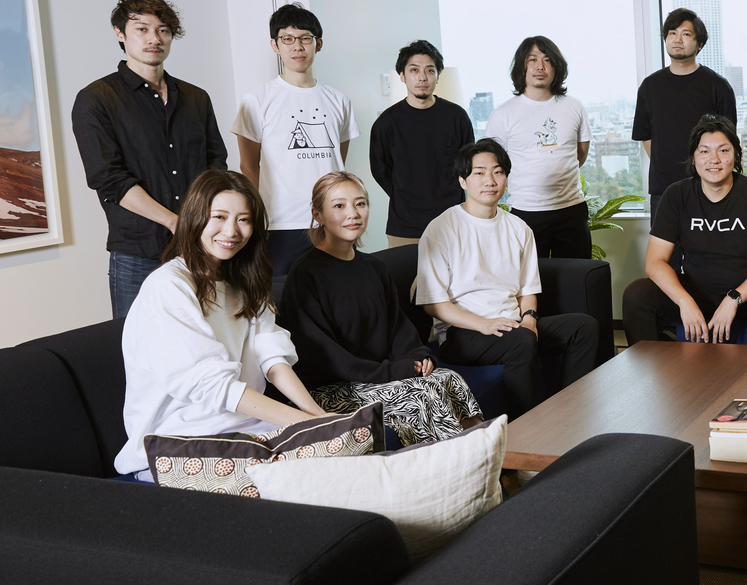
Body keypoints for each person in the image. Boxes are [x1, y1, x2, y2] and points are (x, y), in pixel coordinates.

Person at [113, 170, 328, 479]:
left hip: (247, 427)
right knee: (314, 471)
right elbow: (212, 386)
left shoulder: (246, 281)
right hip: (179, 442)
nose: (231, 231)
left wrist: (317, 417)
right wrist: (302, 423)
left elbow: (272, 357)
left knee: (350, 449)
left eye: (244, 219)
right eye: (219, 217)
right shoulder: (168, 285)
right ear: (195, 216)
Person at [277, 172, 482, 445]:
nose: (353, 213)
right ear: (318, 214)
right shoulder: (305, 274)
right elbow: (323, 356)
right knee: (421, 395)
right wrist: (394, 372)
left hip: (374, 379)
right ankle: (452, 464)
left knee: (449, 379)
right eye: (339, 206)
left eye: (360, 204)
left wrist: (418, 356)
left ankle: (484, 458)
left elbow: (397, 326)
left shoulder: (374, 267)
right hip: (329, 388)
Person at [72, 0, 228, 318]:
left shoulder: (196, 98)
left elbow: (217, 167)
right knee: (136, 342)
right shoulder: (96, 99)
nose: (154, 39)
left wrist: (203, 224)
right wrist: (174, 221)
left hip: (200, 246)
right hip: (138, 252)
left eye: (163, 30)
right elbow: (108, 179)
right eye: (142, 29)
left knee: (208, 335)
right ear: (120, 33)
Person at [416, 139, 597, 416]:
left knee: (583, 327)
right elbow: (433, 304)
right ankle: (527, 428)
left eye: (498, 172)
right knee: (521, 342)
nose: (490, 180)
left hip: (513, 325)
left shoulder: (519, 227)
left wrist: (529, 319)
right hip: (463, 333)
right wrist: (484, 324)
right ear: (463, 181)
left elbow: (527, 289)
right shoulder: (441, 229)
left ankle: (569, 414)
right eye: (479, 173)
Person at [623, 114, 747, 347]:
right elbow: (655, 262)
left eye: (723, 151)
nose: (714, 160)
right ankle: (654, 368)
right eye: (704, 151)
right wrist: (684, 301)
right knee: (637, 294)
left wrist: (734, 298)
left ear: (735, 156)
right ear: (694, 157)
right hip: (696, 293)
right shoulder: (676, 195)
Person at [232, 3, 358, 276]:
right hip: (282, 223)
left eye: (305, 38)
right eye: (287, 39)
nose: (297, 46)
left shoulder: (339, 100)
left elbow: (337, 160)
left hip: (333, 219)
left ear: (318, 44)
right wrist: (264, 212)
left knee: (338, 287)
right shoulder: (256, 100)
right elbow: (248, 166)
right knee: (284, 293)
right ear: (275, 45)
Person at [484, 36, 593, 259]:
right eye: (532, 59)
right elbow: (494, 165)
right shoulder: (503, 114)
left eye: (547, 59)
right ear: (521, 66)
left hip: (571, 210)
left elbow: (579, 154)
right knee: (529, 278)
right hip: (526, 212)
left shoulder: (574, 107)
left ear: (557, 66)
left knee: (576, 276)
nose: (540, 66)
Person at [369, 39, 474, 248]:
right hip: (405, 226)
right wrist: (405, 193)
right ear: (402, 75)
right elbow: (380, 170)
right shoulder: (386, 123)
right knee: (404, 270)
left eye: (430, 70)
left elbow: (468, 165)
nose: (422, 77)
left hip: (453, 223)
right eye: (414, 70)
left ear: (437, 75)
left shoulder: (457, 117)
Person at [632, 9, 737, 206]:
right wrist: (665, 166)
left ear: (700, 43)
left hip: (708, 186)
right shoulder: (649, 86)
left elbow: (727, 140)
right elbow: (646, 135)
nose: (677, 39)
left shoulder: (718, 86)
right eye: (672, 33)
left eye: (686, 34)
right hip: (663, 188)